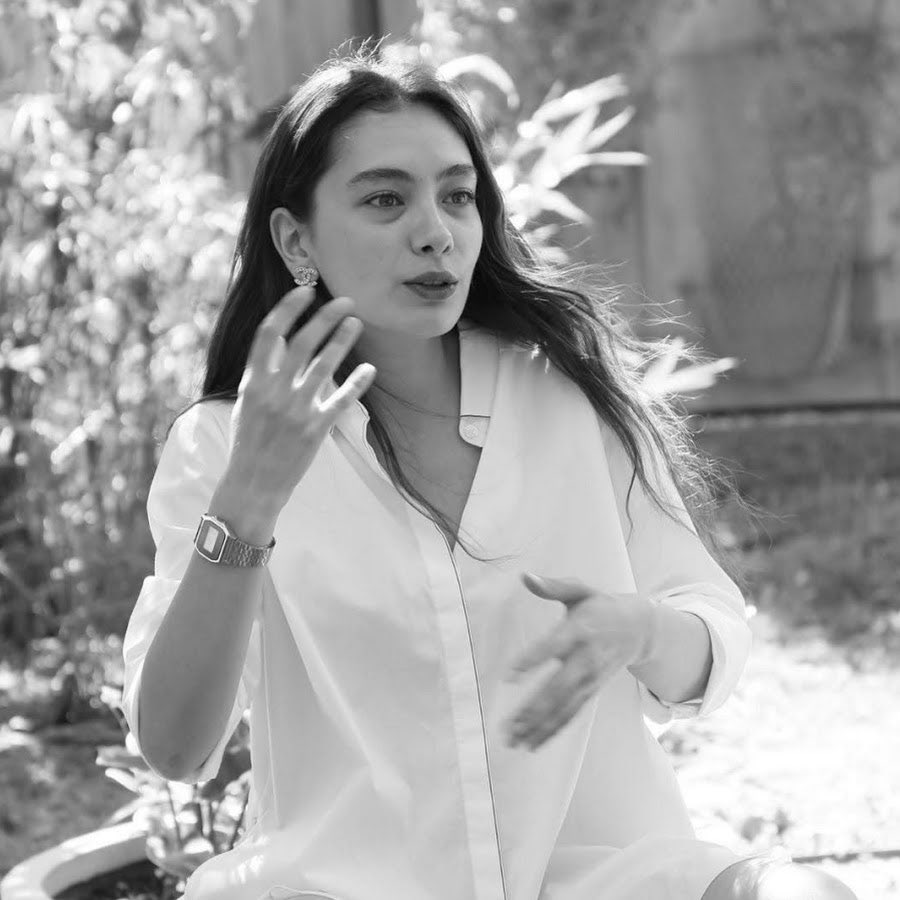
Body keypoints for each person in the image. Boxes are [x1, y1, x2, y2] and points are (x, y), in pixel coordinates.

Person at [121, 48, 858, 900]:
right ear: (296, 240)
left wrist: (640, 630)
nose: (435, 230)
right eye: (386, 199)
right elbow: (176, 748)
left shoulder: (570, 398)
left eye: (457, 195)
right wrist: (248, 504)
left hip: (599, 882)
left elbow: (711, 636)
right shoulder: (221, 445)